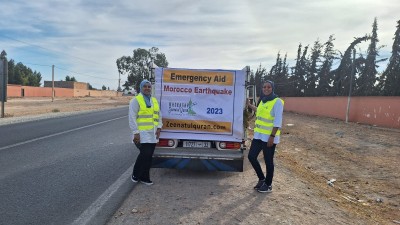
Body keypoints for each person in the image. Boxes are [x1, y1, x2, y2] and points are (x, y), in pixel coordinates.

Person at [246, 80, 284, 193]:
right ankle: (262, 179)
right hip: (259, 135)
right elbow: (259, 112)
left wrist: (272, 136)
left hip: (269, 137)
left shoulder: (277, 102)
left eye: (268, 87)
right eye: (264, 87)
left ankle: (268, 184)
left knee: (268, 161)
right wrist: (249, 105)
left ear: (272, 88)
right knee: (251, 156)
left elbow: (277, 121)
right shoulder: (262, 100)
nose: (266, 89)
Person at [129, 79, 162, 185]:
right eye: (145, 86)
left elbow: (159, 115)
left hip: (152, 134)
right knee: (144, 154)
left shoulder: (154, 100)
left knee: (149, 156)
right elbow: (132, 117)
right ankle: (135, 174)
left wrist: (159, 128)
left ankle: (145, 177)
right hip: (142, 134)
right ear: (141, 88)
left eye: (149, 86)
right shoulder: (136, 100)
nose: (147, 88)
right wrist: (135, 132)